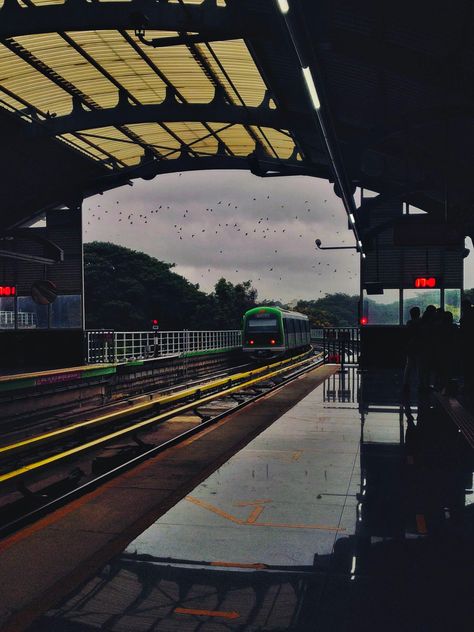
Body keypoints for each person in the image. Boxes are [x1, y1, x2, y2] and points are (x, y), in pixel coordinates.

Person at [403, 306, 422, 391]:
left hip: (410, 346)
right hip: (419, 346)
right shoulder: (421, 322)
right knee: (419, 365)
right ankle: (420, 383)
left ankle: (405, 383)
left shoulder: (409, 323)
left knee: (409, 365)